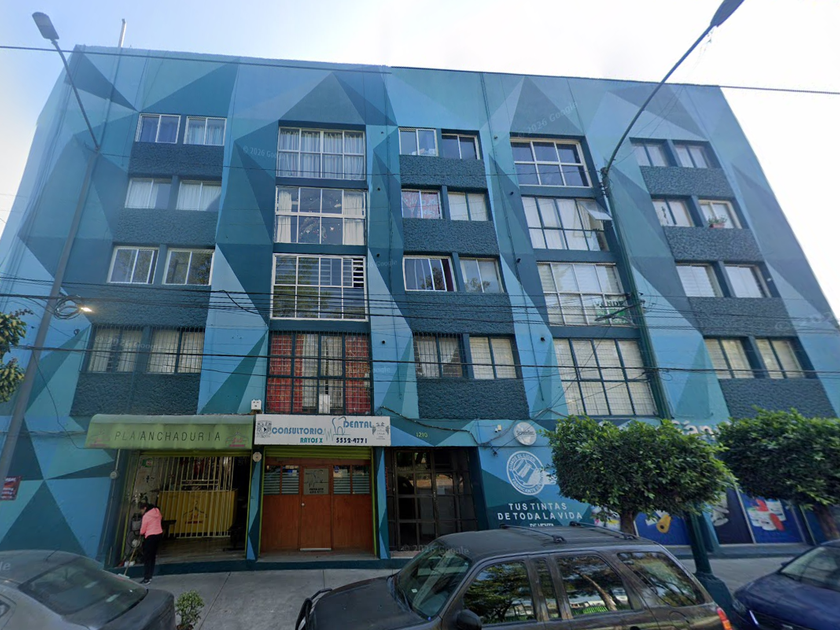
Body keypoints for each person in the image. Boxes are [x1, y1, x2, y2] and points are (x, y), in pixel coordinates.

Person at [139, 502, 163, 584]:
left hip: (150, 536)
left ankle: (146, 577)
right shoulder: (157, 512)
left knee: (147, 557)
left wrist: (140, 533)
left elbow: (142, 530)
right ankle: (150, 575)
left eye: (141, 510)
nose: (141, 512)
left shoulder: (146, 516)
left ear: (145, 508)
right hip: (158, 535)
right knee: (152, 556)